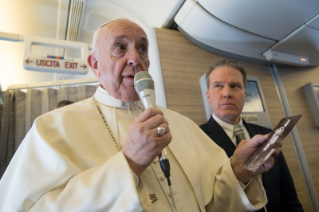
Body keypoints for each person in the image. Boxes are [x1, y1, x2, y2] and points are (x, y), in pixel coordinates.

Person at [0, 19, 279, 212]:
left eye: (142, 48)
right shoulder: (52, 128)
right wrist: (128, 163)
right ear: (95, 64)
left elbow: (213, 202)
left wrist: (240, 173)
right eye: (121, 47)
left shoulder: (180, 124)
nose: (136, 58)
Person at [200, 59, 303, 212]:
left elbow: (288, 195)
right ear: (208, 96)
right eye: (218, 86)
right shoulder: (197, 139)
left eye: (235, 86)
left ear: (245, 94)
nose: (227, 94)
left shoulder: (267, 133)